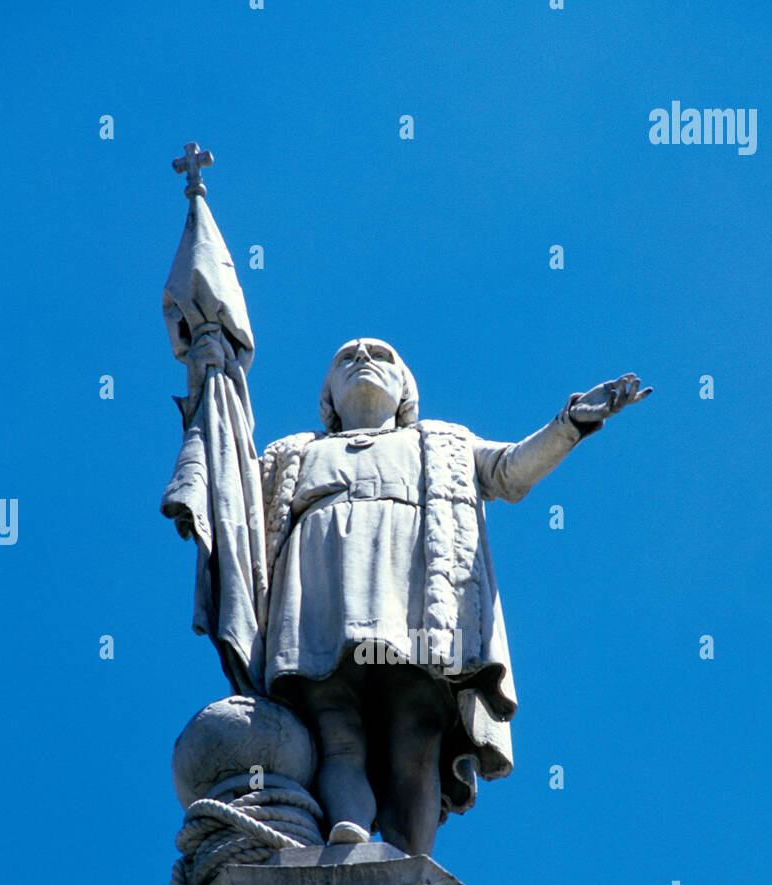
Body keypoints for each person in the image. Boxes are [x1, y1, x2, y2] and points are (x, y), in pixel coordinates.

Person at [255, 337, 651, 854]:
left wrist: (570, 423)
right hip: (320, 598)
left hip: (414, 602)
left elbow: (510, 470)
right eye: (346, 358)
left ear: (405, 389)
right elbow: (233, 507)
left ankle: (410, 861)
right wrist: (211, 381)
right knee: (335, 728)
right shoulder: (292, 453)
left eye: (380, 355)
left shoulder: (443, 442)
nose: (363, 360)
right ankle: (348, 832)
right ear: (327, 394)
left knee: (417, 726)